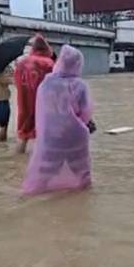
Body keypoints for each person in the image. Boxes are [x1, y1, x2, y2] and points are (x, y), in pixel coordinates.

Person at [22, 45, 94, 195]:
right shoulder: (80, 85)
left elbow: (42, 113)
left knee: (46, 170)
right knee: (81, 171)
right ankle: (86, 199)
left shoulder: (46, 84)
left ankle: (31, 195)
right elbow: (86, 112)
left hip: (52, 136)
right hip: (75, 135)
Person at [14, 34, 55, 153]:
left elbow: (17, 83)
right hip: (44, 102)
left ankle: (18, 159)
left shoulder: (21, 63)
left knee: (23, 133)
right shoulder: (49, 63)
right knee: (43, 131)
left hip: (24, 102)